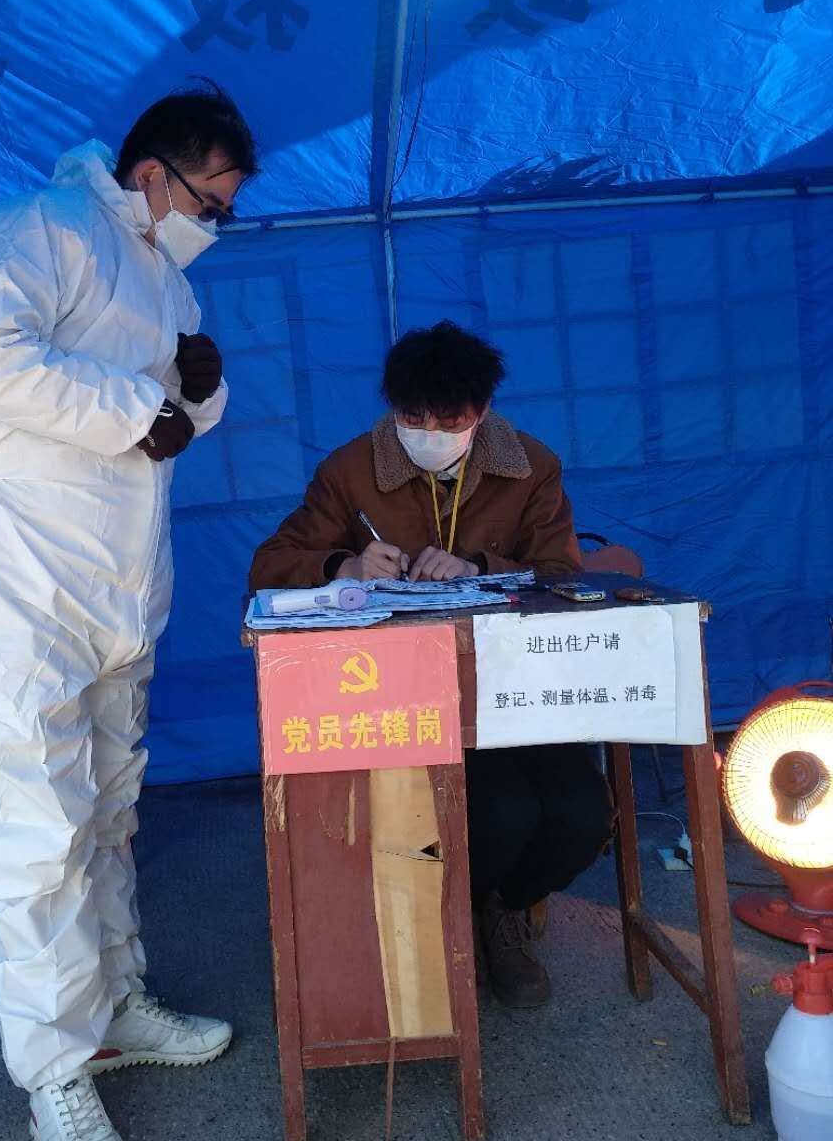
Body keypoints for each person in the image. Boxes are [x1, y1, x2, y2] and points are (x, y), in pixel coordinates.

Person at [0, 83, 257, 1141]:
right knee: (36, 826)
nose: (217, 224)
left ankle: (115, 1004)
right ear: (152, 174)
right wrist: (141, 409)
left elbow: (170, 422)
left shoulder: (165, 275)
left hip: (118, 574)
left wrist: (201, 395)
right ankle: (53, 1074)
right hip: (17, 569)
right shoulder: (31, 228)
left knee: (109, 811)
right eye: (211, 201)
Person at [249, 321, 614, 1010]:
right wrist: (344, 564)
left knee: (581, 816)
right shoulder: (352, 470)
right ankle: (464, 915)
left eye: (450, 421)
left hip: (515, 686)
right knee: (501, 811)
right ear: (393, 408)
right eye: (414, 419)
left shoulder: (530, 466)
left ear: (482, 411)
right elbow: (270, 566)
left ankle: (505, 906)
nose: (430, 433)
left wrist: (480, 567)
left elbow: (562, 572)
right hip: (405, 695)